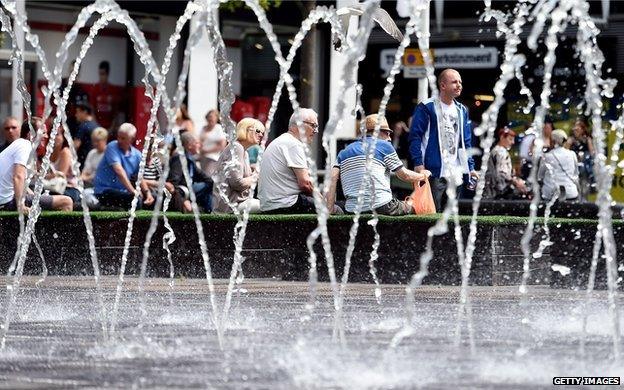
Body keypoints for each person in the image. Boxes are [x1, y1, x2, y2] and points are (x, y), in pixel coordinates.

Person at [326, 114, 430, 215]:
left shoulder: (343, 152)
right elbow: (404, 175)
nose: (389, 138)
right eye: (387, 133)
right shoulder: (384, 146)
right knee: (413, 207)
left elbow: (332, 178)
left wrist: (330, 208)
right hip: (382, 206)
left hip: (352, 209)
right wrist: (423, 175)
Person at [408, 68, 478, 211]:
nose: (459, 85)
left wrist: (470, 167)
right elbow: (415, 137)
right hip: (433, 171)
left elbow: (465, 141)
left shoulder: (462, 110)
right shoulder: (427, 107)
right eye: (454, 82)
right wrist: (418, 164)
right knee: (432, 215)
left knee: (451, 218)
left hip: (456, 172)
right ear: (443, 85)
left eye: (460, 82)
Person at [0, 118, 72, 213]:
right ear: (30, 134)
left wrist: (35, 196)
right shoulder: (25, 145)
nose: (46, 136)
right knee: (66, 202)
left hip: (4, 200)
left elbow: (23, 184)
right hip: (6, 202)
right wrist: (21, 205)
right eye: (43, 133)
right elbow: (18, 177)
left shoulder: (18, 144)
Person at [258, 108, 322, 214]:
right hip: (286, 205)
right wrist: (323, 201)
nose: (316, 131)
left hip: (269, 206)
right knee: (335, 210)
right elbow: (305, 184)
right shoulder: (293, 144)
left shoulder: (281, 140)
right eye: (313, 125)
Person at [93, 123, 154, 209]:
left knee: (151, 199)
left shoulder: (137, 155)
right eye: (118, 137)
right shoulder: (112, 146)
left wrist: (148, 194)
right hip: (104, 191)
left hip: (122, 192)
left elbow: (139, 177)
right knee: (134, 200)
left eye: (123, 138)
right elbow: (119, 171)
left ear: (132, 139)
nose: (119, 140)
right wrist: (133, 191)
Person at [212, 118, 264, 213]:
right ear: (246, 130)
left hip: (236, 203)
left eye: (262, 133)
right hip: (229, 207)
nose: (261, 135)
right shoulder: (237, 147)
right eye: (258, 131)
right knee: (266, 206)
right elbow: (237, 184)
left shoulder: (244, 152)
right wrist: (257, 176)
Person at [168, 132, 213, 213]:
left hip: (190, 188)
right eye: (197, 143)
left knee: (210, 183)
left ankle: (207, 210)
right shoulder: (179, 158)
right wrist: (183, 200)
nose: (200, 145)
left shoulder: (189, 157)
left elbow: (200, 175)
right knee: (207, 185)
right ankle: (208, 211)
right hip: (183, 192)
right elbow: (173, 183)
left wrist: (215, 181)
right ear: (189, 145)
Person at [483, 127, 529, 200]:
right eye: (510, 139)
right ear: (502, 137)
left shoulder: (496, 150)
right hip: (497, 194)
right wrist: (516, 182)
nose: (513, 142)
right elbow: (502, 173)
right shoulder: (501, 152)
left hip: (491, 192)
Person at [538, 129, 579, 201]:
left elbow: (540, 176)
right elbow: (576, 173)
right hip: (571, 193)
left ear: (553, 141)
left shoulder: (546, 156)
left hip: (550, 194)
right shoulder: (572, 154)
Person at [48, 126, 81, 206]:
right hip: (54, 187)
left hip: (70, 189)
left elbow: (61, 175)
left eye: (57, 134)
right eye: (52, 134)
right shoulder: (49, 153)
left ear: (64, 137)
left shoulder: (65, 152)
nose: (54, 137)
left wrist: (46, 176)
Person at [565, 118, 595, 198]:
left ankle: (584, 203)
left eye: (577, 130)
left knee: (584, 189)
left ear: (582, 130)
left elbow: (592, 153)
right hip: (573, 168)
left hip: (584, 169)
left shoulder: (587, 139)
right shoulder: (571, 140)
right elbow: (564, 152)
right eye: (574, 130)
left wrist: (585, 154)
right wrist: (568, 144)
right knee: (574, 189)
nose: (575, 132)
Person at [199, 109, 227, 176]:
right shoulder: (203, 128)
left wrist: (207, 151)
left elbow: (222, 145)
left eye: (212, 117)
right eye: (209, 117)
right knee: (202, 175)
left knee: (208, 176)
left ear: (216, 118)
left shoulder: (219, 128)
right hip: (202, 157)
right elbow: (200, 141)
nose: (210, 118)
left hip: (214, 157)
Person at [73, 102, 100, 166]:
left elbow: (76, 145)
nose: (76, 115)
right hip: (95, 161)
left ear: (84, 112)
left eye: (77, 112)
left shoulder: (83, 126)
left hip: (84, 162)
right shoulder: (96, 125)